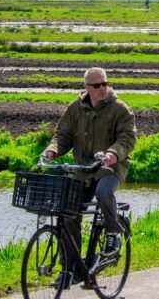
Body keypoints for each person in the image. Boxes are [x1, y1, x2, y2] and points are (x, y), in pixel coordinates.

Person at [41, 67, 138, 284]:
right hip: (82, 169)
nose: (103, 88)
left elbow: (128, 138)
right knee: (67, 212)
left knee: (104, 192)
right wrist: (52, 150)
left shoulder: (120, 109)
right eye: (97, 85)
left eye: (105, 83)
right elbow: (63, 135)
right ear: (86, 87)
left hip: (110, 168)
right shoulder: (75, 109)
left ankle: (113, 234)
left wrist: (113, 154)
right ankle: (70, 270)